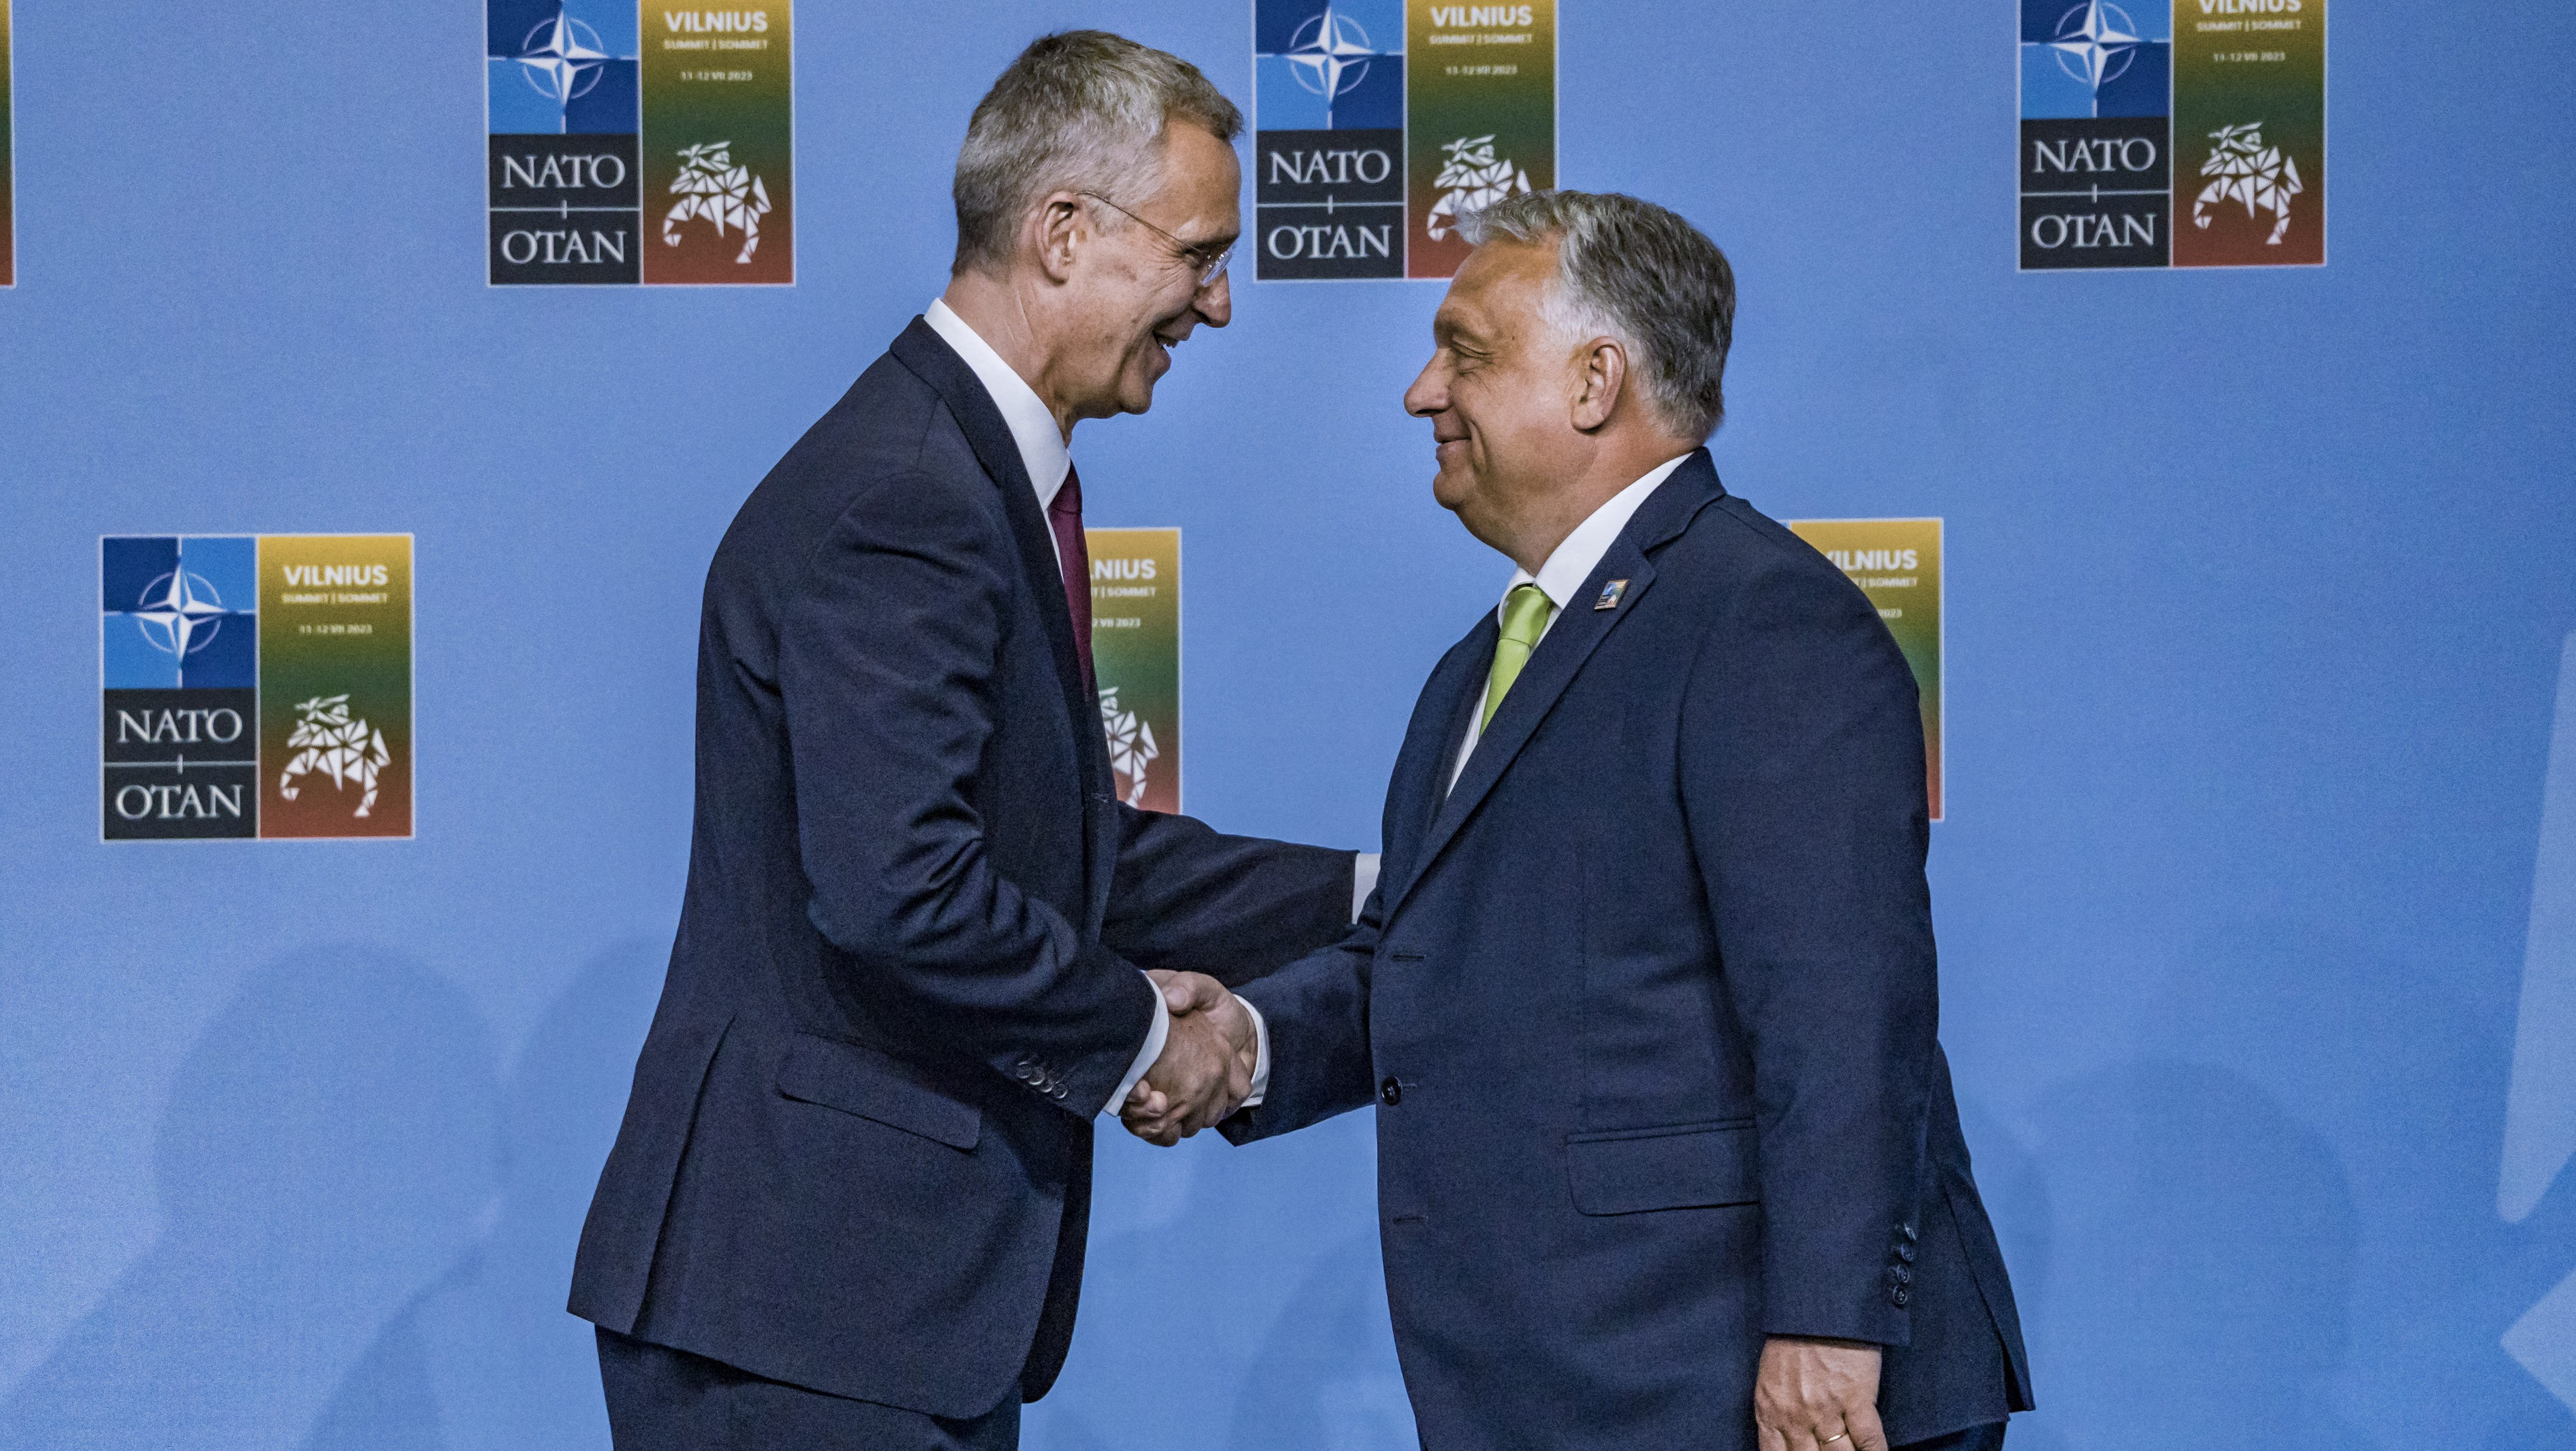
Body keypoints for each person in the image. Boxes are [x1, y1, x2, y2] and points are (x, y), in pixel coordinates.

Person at [569, 33, 1363, 1450]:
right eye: (1197, 254)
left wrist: (1382, 886)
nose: (1220, 302)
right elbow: (901, 887)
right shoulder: (908, 496)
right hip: (805, 1301)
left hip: (855, 1308)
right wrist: (1142, 1035)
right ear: (1062, 232)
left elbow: (1068, 856)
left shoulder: (963, 473)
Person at [1149, 190, 2034, 1450]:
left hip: (1738, 1380)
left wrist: (1826, 1327)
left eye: (1465, 353)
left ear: (1594, 381)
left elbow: (1842, 1004)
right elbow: (1424, 953)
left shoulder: (1762, 618)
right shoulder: (1479, 664)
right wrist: (1245, 1040)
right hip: (1574, 1379)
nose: (1420, 391)